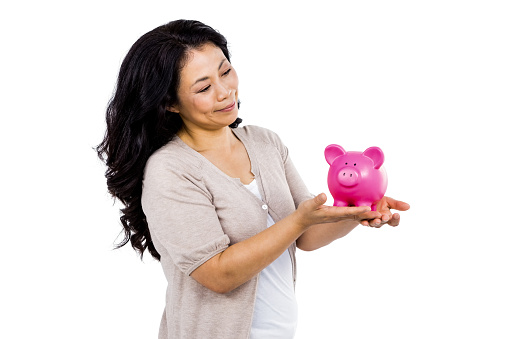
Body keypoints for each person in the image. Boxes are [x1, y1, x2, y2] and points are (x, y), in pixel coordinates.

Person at [96, 19, 410, 339]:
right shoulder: (170, 170)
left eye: (225, 71)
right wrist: (299, 221)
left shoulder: (265, 142)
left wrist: (358, 212)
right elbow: (218, 274)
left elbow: (306, 235)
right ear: (169, 103)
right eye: (203, 87)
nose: (225, 91)